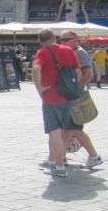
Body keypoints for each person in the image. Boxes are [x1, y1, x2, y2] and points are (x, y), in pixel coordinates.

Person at [32, 28, 82, 178]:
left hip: (51, 97)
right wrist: (70, 87)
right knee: (61, 131)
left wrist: (39, 87)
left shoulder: (43, 52)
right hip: (67, 97)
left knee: (54, 133)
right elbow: (78, 73)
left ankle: (59, 167)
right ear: (54, 37)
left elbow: (36, 68)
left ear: (40, 41)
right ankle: (52, 160)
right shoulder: (68, 50)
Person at [57, 31, 103, 170]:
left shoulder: (80, 53)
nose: (63, 43)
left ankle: (94, 156)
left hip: (74, 98)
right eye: (61, 40)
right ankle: (62, 158)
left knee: (75, 129)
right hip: (67, 97)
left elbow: (88, 75)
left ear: (75, 40)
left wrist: (74, 89)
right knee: (65, 129)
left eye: (66, 40)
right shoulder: (72, 52)